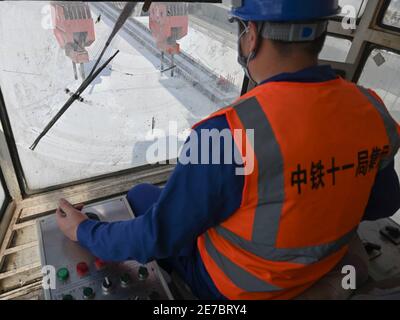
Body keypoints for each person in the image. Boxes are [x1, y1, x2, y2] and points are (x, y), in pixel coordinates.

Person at [56, 0, 400, 300]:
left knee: (144, 195)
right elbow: (383, 204)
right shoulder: (372, 108)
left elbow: (154, 239)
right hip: (324, 263)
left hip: (236, 288)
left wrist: (83, 231)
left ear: (251, 35)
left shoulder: (225, 134)